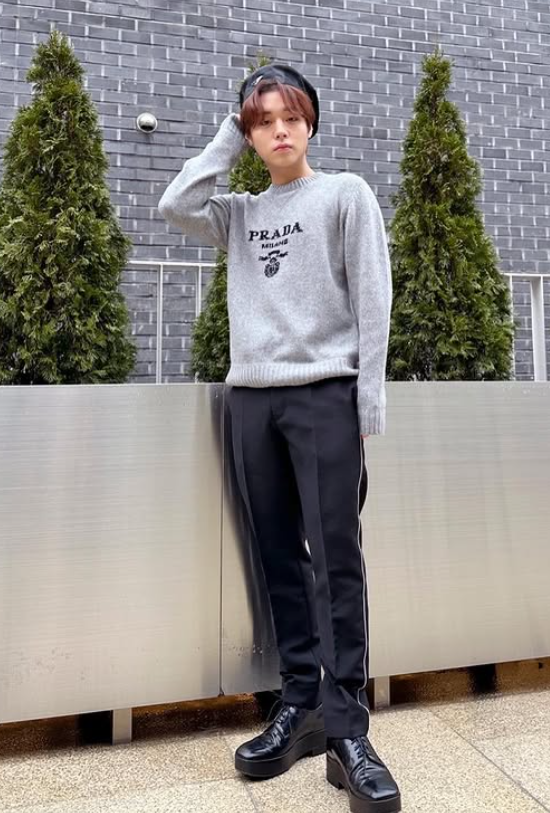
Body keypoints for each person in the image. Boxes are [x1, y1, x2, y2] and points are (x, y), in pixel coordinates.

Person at [158, 63, 400, 813]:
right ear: (248, 134)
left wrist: (366, 405)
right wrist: (229, 135)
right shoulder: (237, 214)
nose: (279, 130)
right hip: (252, 401)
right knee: (277, 558)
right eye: (262, 121)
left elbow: (374, 299)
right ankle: (299, 705)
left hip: (325, 396)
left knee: (335, 562)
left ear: (311, 123)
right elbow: (175, 203)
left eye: (290, 116)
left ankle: (349, 730)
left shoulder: (345, 194)